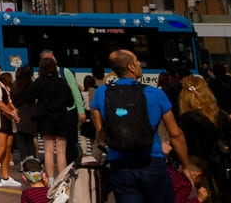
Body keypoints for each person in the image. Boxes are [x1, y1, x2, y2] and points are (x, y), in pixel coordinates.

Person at [89, 48, 192, 203]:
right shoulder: (155, 94)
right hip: (152, 161)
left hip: (120, 165)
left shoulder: (101, 93)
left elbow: (101, 134)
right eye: (137, 61)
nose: (139, 64)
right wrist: (185, 166)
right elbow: (176, 134)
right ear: (131, 67)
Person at [29, 58, 79, 181]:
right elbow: (70, 101)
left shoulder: (39, 82)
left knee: (48, 150)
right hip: (61, 117)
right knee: (61, 151)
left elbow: (29, 97)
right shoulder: (61, 82)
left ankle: (50, 179)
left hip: (45, 119)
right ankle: (62, 180)